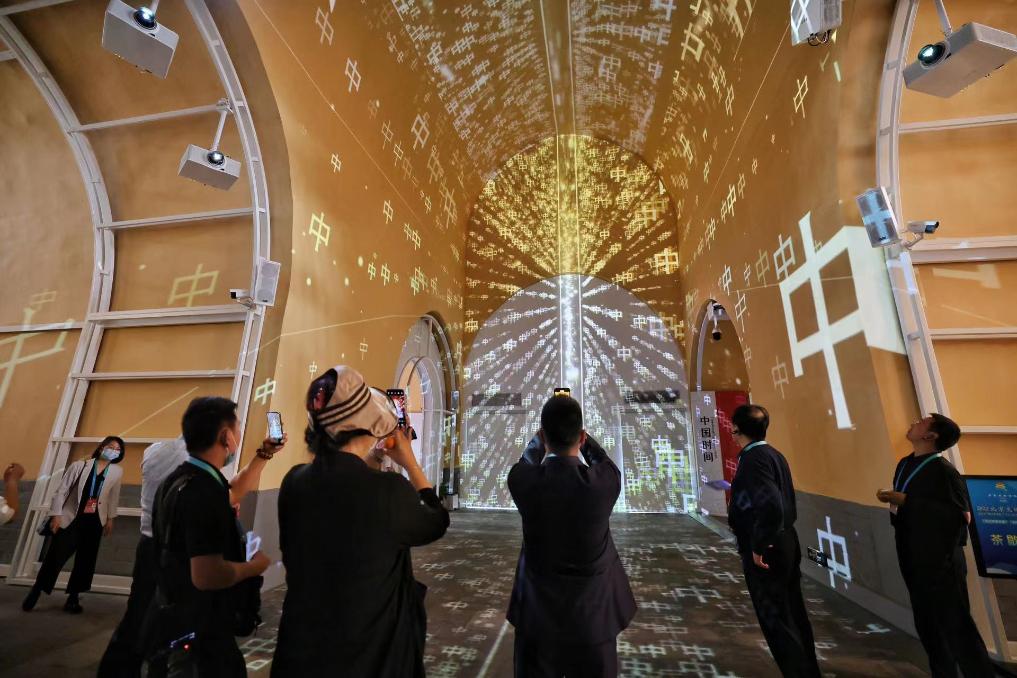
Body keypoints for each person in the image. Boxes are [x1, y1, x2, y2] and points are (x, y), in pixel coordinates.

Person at [271, 366, 450, 677]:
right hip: (369, 654)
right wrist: (410, 463)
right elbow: (436, 521)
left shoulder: (294, 481)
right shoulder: (388, 491)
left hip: (301, 649)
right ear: (368, 425)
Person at [98, 427, 286, 678]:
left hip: (151, 547)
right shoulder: (191, 467)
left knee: (139, 619)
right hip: (180, 557)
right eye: (231, 435)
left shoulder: (155, 451)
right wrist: (263, 455)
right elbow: (232, 493)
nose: (232, 445)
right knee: (190, 632)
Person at [506, 395, 636, 678]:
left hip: (537, 615)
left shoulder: (523, 482)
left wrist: (538, 442)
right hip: (595, 616)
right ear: (581, 436)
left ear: (543, 437)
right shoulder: (604, 483)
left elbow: (524, 464)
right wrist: (585, 441)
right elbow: (605, 462)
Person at [141, 397, 271, 677]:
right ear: (226, 437)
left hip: (176, 616)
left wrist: (264, 455)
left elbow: (232, 493)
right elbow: (207, 575)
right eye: (237, 429)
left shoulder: (178, 480)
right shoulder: (203, 492)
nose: (239, 435)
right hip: (202, 629)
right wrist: (254, 566)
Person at [877, 414, 998, 677]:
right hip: (912, 555)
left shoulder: (944, 471)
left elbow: (959, 517)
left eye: (921, 422)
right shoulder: (905, 463)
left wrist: (907, 501)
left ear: (930, 436)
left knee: (957, 629)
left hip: (941, 563)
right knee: (929, 628)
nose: (913, 423)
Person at [727, 404, 820, 678]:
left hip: (768, 549)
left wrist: (758, 545)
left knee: (776, 619)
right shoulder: (773, 454)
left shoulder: (754, 460)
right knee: (793, 612)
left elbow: (770, 507)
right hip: (784, 541)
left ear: (736, 429)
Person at [21, 436, 125, 613]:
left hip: (95, 521)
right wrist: (56, 515)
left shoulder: (116, 471)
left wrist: (110, 518)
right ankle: (37, 590)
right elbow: (62, 491)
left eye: (118, 449)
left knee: (86, 560)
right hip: (72, 518)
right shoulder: (80, 466)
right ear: (102, 448)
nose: (114, 451)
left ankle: (73, 598)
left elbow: (113, 496)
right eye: (111, 447)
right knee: (55, 556)